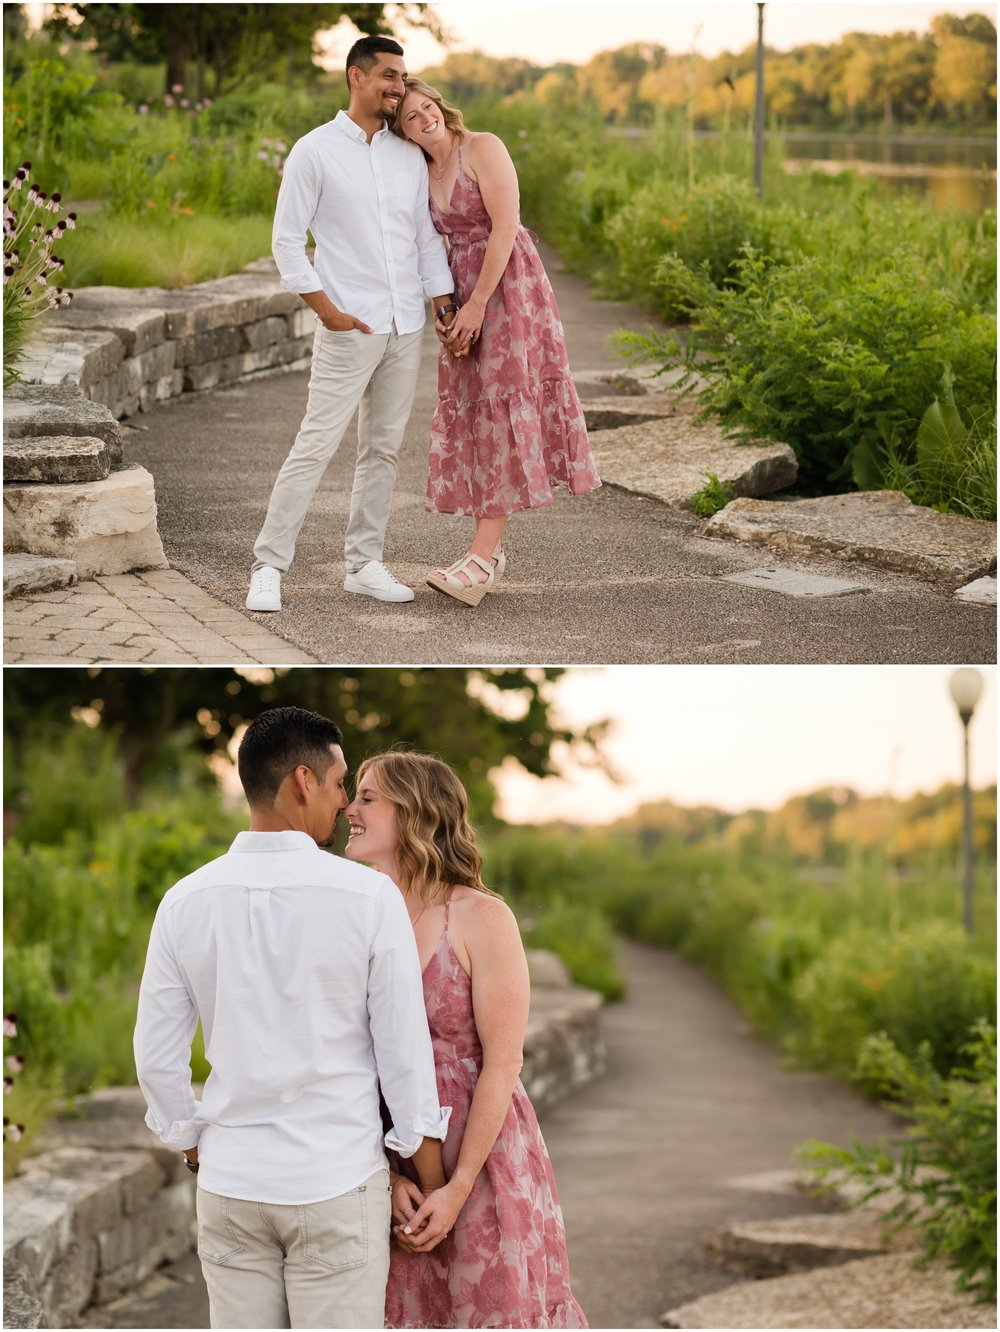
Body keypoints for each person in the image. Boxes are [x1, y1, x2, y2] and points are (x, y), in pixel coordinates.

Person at [134, 708, 452, 1330]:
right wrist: (429, 1179)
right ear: (303, 782)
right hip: (335, 1182)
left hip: (231, 1184)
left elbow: (156, 1055)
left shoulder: (185, 900)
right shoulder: (367, 898)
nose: (343, 803)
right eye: (339, 784)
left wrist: (192, 1143)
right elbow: (403, 1054)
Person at [344, 752, 588, 1328]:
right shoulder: (354, 914)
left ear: (415, 813)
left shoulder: (481, 917)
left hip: (479, 1158)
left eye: (367, 797)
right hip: (377, 1156)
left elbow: (504, 1063)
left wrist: (456, 1189)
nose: (348, 810)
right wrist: (388, 1178)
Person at [247, 39, 459, 613]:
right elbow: (287, 241)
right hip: (348, 326)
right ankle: (269, 566)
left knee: (384, 450)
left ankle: (364, 564)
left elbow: (423, 240)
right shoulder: (313, 151)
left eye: (404, 77)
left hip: (405, 323)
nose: (398, 86)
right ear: (356, 77)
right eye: (389, 76)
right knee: (316, 443)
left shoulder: (406, 154)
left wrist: (442, 307)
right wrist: (327, 311)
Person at [391, 80, 601, 608]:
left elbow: (506, 227)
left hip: (507, 288)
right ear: (402, 131)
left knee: (501, 412)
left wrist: (480, 303)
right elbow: (428, 244)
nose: (423, 119)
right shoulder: (423, 170)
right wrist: (447, 311)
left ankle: (483, 557)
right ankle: (487, 552)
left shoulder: (482, 147)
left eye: (427, 108)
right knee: (478, 415)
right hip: (464, 297)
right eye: (411, 118)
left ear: (440, 105)